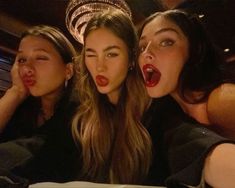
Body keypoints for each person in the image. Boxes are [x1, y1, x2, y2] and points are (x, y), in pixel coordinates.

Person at [138, 9, 235, 187]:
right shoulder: (168, 116)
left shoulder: (221, 99)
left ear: (194, 49)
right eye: (142, 47)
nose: (146, 53)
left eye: (166, 42)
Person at [71, 9, 152, 184]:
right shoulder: (83, 114)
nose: (99, 67)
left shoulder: (152, 110)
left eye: (111, 54)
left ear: (131, 58)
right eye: (91, 55)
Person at [0, 25, 79, 182]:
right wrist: (16, 91)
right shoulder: (20, 107)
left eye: (41, 58)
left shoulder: (79, 116)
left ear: (68, 71)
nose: (27, 68)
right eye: (22, 60)